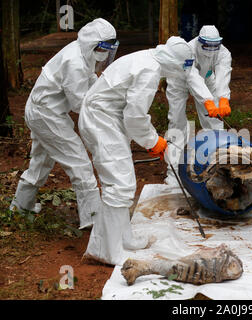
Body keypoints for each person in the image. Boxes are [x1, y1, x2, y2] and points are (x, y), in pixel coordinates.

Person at [78, 36, 196, 266]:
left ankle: (124, 238)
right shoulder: (149, 71)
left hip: (107, 118)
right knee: (118, 184)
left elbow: (131, 113)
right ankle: (108, 251)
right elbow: (135, 116)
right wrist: (154, 142)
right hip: (100, 120)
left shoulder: (148, 58)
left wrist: (152, 140)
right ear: (174, 64)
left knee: (123, 182)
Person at [9, 18, 117, 230]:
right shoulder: (74, 62)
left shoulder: (83, 53)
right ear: (91, 43)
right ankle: (94, 221)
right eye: (102, 48)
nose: (104, 54)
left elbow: (91, 83)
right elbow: (80, 104)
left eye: (107, 49)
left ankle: (20, 209)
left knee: (40, 163)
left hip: (45, 111)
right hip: (46, 115)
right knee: (80, 163)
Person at [164, 25, 232, 186]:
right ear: (199, 42)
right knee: (176, 122)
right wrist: (207, 101)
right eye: (207, 46)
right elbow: (192, 77)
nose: (211, 49)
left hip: (208, 81)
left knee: (215, 123)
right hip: (179, 80)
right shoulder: (188, 50)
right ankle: (173, 171)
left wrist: (223, 99)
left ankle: (217, 165)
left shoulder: (223, 52)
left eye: (215, 46)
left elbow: (223, 74)